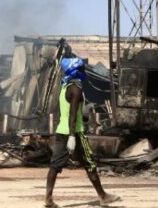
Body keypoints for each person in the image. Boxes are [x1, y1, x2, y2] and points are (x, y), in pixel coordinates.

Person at [44, 56, 119, 208]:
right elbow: (72, 115)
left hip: (61, 131)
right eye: (81, 69)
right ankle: (103, 196)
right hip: (75, 133)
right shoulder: (76, 89)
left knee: (55, 165)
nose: (84, 70)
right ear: (75, 71)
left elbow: (65, 113)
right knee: (90, 163)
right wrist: (72, 136)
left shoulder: (64, 87)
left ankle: (48, 199)